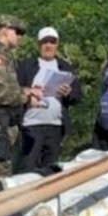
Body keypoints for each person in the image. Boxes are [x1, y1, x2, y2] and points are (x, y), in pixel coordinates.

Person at [0, 14, 42, 178]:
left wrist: (26, 90)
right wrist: (27, 99)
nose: (20, 37)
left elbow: (5, 86)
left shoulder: (2, 55)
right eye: (17, 32)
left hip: (5, 126)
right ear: (5, 31)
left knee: (5, 174)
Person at [16, 27, 82, 173]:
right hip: (31, 125)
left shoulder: (65, 67)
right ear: (38, 44)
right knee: (27, 168)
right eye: (45, 42)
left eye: (52, 42)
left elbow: (77, 96)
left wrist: (69, 92)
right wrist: (28, 94)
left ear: (57, 44)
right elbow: (14, 91)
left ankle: (49, 196)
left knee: (51, 169)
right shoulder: (26, 66)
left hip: (56, 126)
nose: (48, 46)